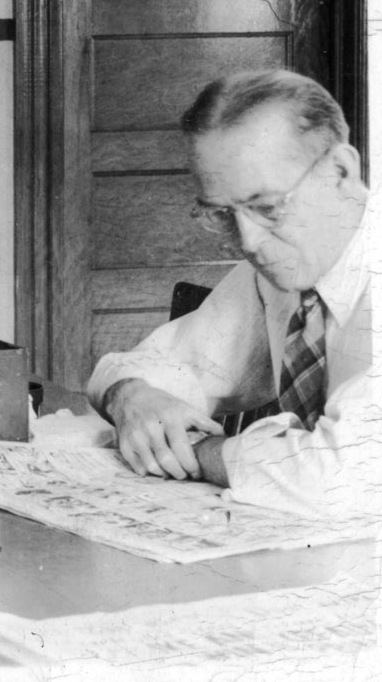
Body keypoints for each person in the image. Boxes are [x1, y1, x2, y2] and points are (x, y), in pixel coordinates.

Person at [86, 68, 377, 515]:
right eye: (222, 215)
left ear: (341, 172)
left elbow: (348, 477)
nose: (249, 242)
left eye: (268, 207)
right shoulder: (283, 271)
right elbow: (162, 364)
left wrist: (200, 452)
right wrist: (130, 396)